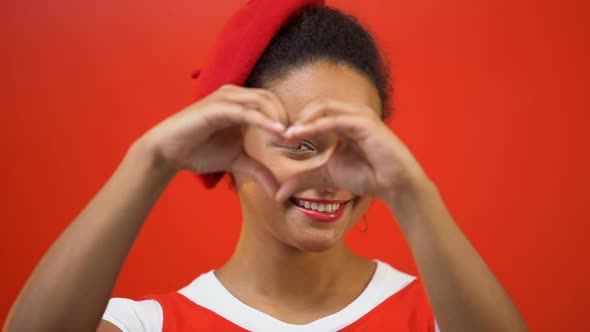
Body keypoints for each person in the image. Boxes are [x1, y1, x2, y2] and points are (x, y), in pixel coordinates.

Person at [3, 1, 528, 331]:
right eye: (298, 143)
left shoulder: (442, 313)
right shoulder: (152, 324)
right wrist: (152, 159)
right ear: (231, 142)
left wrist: (413, 193)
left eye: (354, 143)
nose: (328, 173)